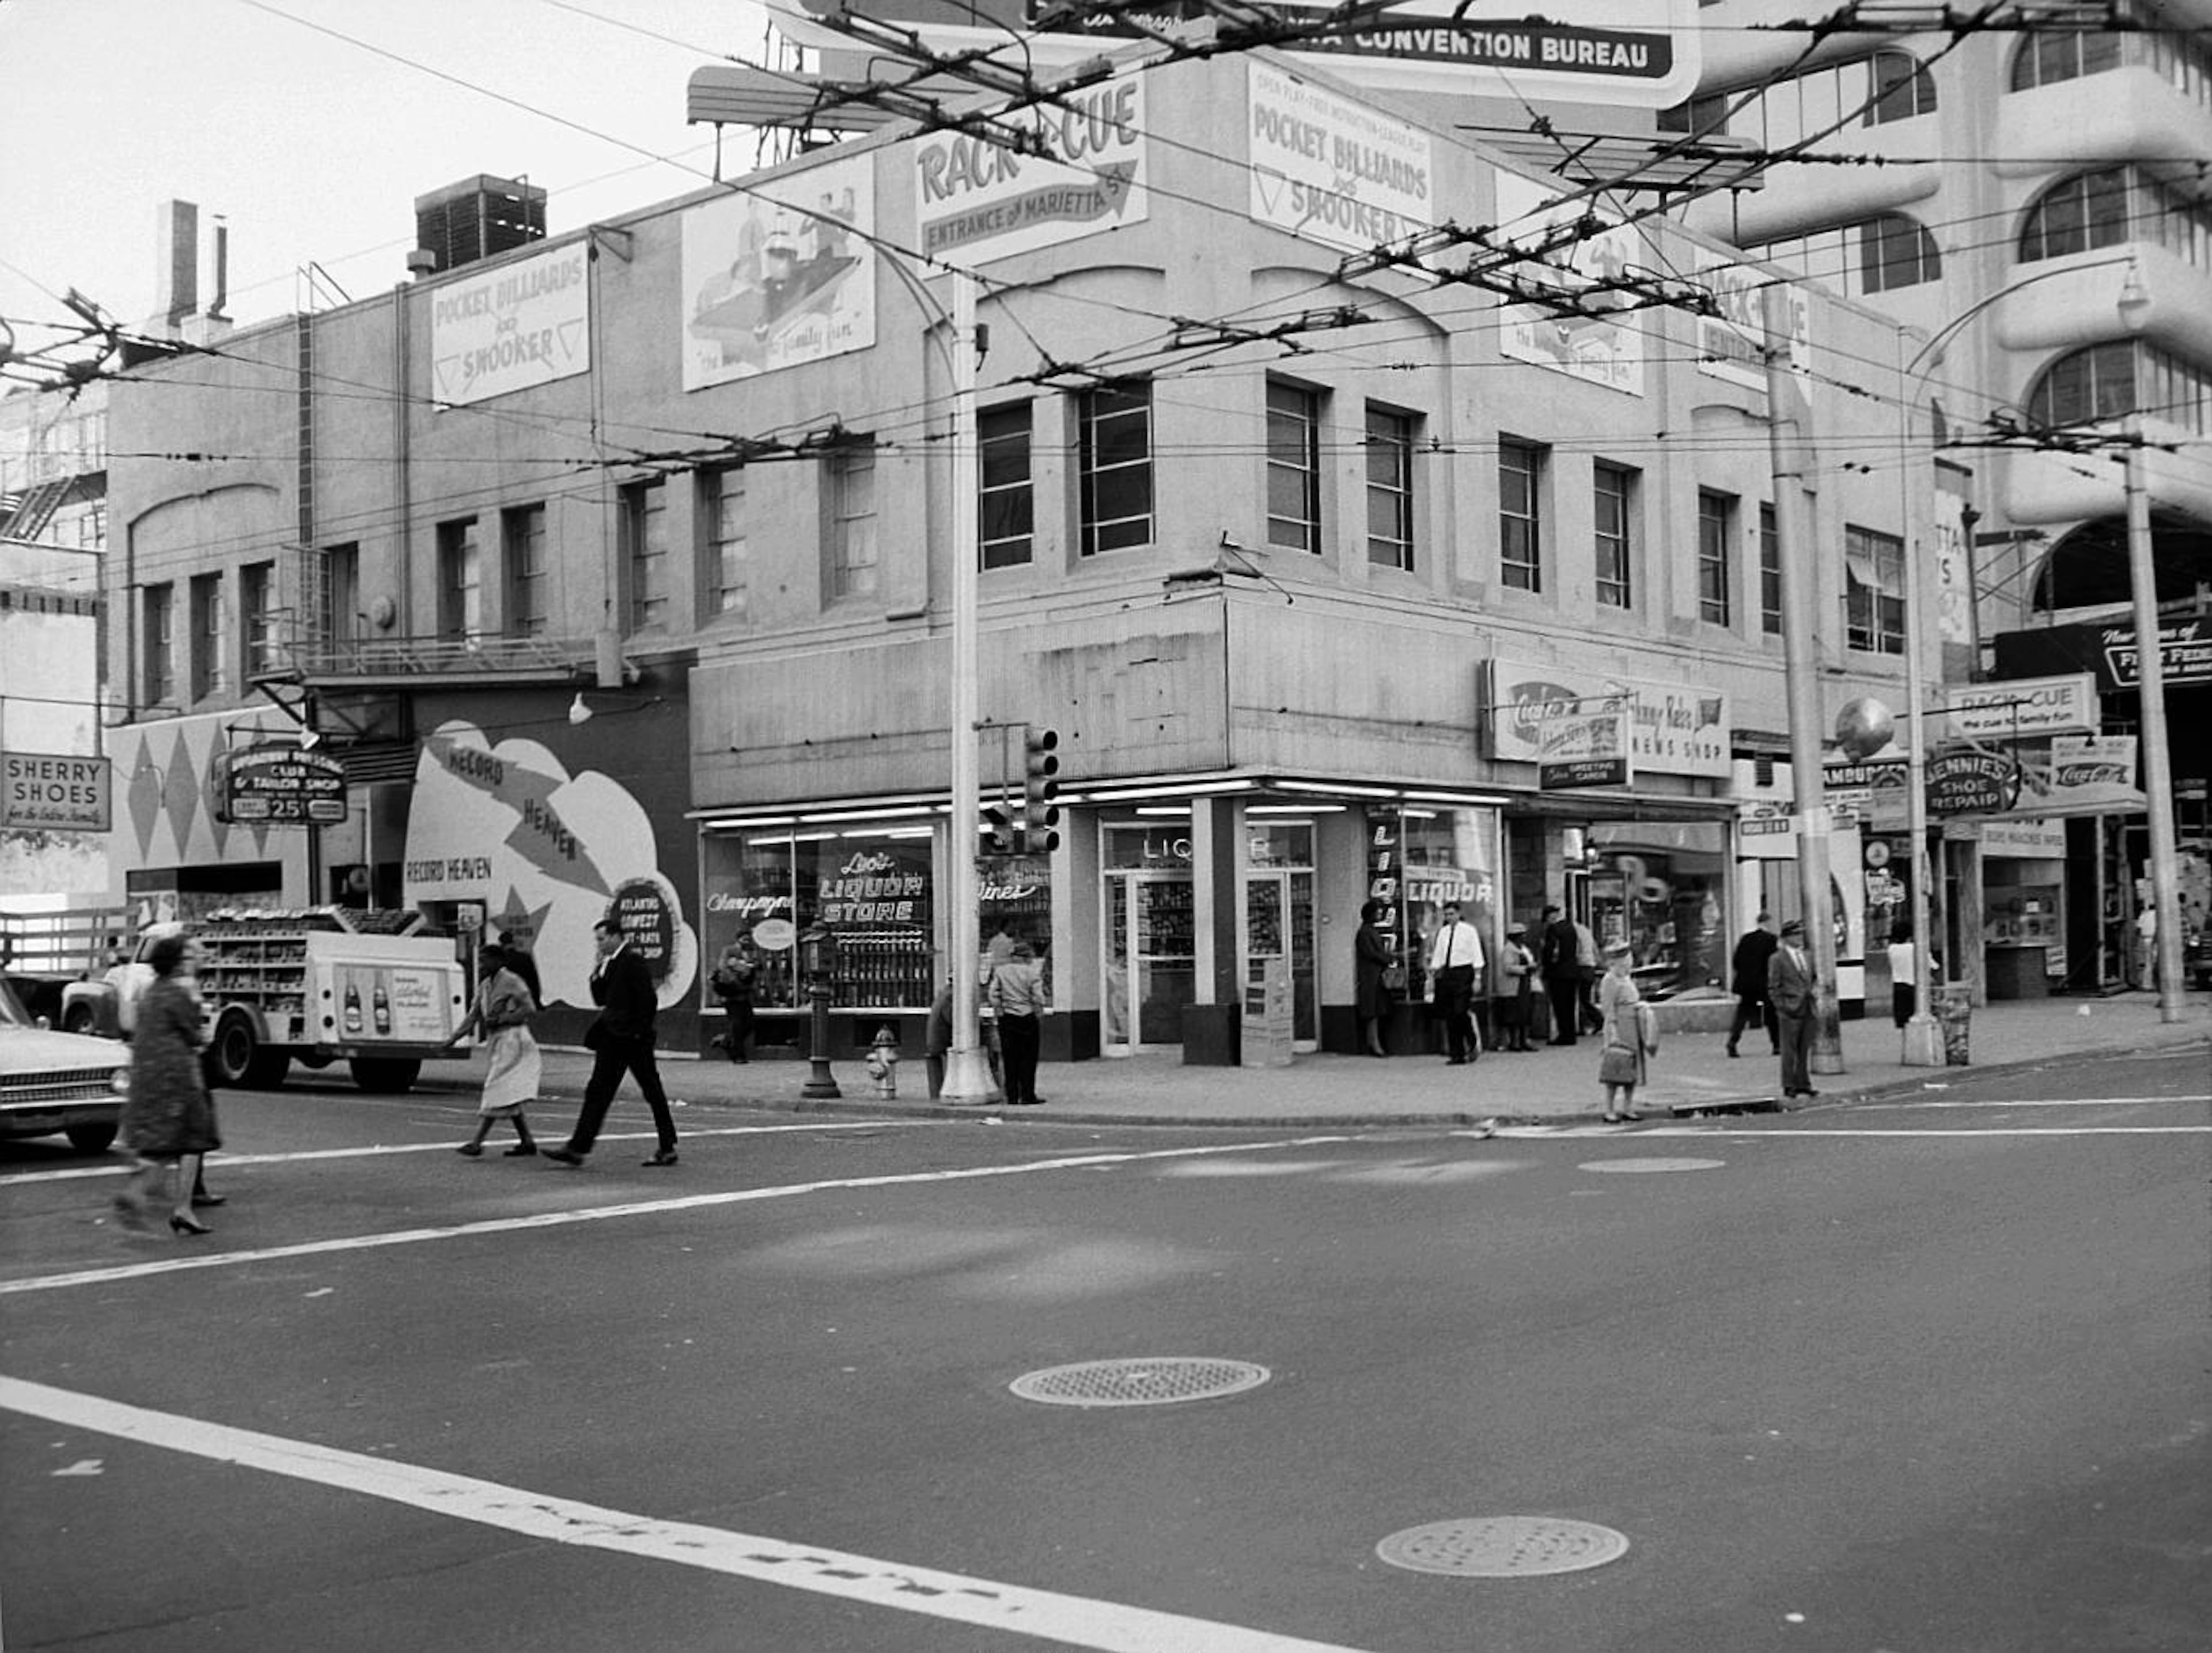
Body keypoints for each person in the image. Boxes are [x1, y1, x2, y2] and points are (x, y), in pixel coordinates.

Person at [545, 916, 679, 1168]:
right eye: (597, 940)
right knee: (597, 1091)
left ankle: (667, 1146)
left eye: (603, 938)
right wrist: (597, 973)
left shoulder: (632, 961)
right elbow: (600, 999)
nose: (600, 944)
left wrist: (639, 1032)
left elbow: (648, 1000)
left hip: (632, 1040)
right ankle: (577, 1148)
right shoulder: (609, 964)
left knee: (652, 1091)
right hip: (611, 1038)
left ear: (617, 936)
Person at [112, 932, 221, 1237]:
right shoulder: (178, 994)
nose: (193, 962)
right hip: (178, 1077)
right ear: (176, 963)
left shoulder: (152, 991)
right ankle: (177, 1207)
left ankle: (142, 1193)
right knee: (192, 1139)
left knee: (164, 1143)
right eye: (187, 957)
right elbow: (195, 1035)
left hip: (149, 1077)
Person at [446, 944, 540, 1157]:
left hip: (514, 1038)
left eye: (485, 960)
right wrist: (453, 1038)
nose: (481, 965)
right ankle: (527, 1141)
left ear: (498, 961)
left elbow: (530, 1009)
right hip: (498, 1040)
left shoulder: (512, 981)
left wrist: (503, 1018)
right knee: (509, 1092)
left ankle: (477, 1142)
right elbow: (473, 1016)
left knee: (495, 1087)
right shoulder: (485, 985)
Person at [988, 940, 1049, 1105]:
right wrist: (1038, 1010)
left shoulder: (1001, 972)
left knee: (1010, 1057)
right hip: (1027, 1017)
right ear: (1025, 957)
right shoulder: (1032, 973)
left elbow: (993, 995)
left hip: (1007, 1018)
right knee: (1028, 1058)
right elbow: (1038, 997)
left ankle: (1012, 1095)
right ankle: (1028, 1094)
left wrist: (1000, 1009)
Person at [1595, 940, 1647, 1122]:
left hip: (1633, 1026)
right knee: (1615, 1069)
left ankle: (1628, 1107)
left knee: (1631, 1070)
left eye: (1629, 958)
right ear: (1615, 962)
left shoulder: (1627, 978)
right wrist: (1612, 1033)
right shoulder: (1610, 980)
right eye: (1625, 959)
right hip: (1619, 1027)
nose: (1629, 962)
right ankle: (1609, 1109)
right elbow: (1608, 1009)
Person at [1426, 901, 1484, 1065]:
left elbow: (1476, 953)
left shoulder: (1469, 931)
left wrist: (1478, 978)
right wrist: (1433, 972)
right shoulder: (1443, 933)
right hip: (1447, 973)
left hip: (1464, 972)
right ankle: (1456, 1053)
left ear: (1458, 914)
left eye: (1452, 914)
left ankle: (1471, 1040)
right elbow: (1438, 954)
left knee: (1461, 1010)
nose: (1449, 917)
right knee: (1450, 1014)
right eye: (1446, 914)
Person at [1768, 917, 1818, 1105]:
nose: (1800, 938)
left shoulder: (1807, 956)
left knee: (1804, 1047)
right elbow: (1773, 987)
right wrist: (1782, 1006)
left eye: (1801, 934)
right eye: (1796, 935)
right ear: (1787, 937)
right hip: (1790, 1009)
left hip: (1807, 1006)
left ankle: (1803, 1083)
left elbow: (1812, 978)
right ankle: (1789, 1084)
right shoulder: (1777, 959)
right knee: (1789, 1049)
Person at [1726, 911, 1781, 1058]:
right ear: (1768, 923)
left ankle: (1733, 1041)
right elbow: (1773, 963)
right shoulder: (1771, 940)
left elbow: (1736, 961)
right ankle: (1777, 1044)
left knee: (1742, 1014)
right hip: (1763, 983)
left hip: (1746, 984)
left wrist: (1745, 974)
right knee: (1771, 1014)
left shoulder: (1746, 939)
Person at [1353, 899, 1396, 1057]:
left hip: (1373, 976)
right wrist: (1388, 958)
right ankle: (1374, 1044)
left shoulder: (1368, 931)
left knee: (1375, 1011)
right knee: (1373, 1011)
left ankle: (1375, 1043)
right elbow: (1371, 953)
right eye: (1377, 912)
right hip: (1371, 977)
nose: (1380, 915)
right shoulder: (1366, 932)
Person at [708, 933, 759, 1064]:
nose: (747, 942)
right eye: (744, 939)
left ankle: (725, 1041)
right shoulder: (730, 950)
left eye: (749, 939)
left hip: (745, 995)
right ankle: (739, 1056)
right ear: (738, 939)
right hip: (732, 996)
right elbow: (723, 967)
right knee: (737, 1026)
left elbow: (752, 971)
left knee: (749, 1025)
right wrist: (736, 981)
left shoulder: (751, 953)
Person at [1539, 904, 1583, 1047]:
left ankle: (1564, 1035)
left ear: (1549, 918)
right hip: (1572, 971)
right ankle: (1570, 1034)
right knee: (1570, 1004)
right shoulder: (1571, 928)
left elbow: (1550, 952)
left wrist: (1545, 963)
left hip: (1558, 973)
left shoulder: (1553, 929)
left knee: (1560, 1005)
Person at [1493, 920, 1537, 1051]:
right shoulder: (1509, 950)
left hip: (1524, 986)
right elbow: (1508, 967)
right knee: (1515, 1015)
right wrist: (1525, 969)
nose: (1524, 937)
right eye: (1522, 935)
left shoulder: (1523, 949)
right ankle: (1515, 1041)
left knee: (1525, 1013)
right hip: (1512, 988)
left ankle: (1524, 1040)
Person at [1885, 918, 1926, 1030]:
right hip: (1915, 987)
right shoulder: (1916, 948)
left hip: (1898, 987)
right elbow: (1933, 966)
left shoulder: (1892, 949)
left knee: (1903, 1022)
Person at [497, 929, 543, 1008]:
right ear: (513, 942)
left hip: (506, 1002)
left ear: (501, 944)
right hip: (524, 998)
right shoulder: (525, 958)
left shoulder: (500, 961)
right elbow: (534, 982)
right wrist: (536, 1001)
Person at [924, 977, 953, 1099]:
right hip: (941, 1041)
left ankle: (937, 1094)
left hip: (935, 1039)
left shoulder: (944, 992)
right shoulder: (950, 996)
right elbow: (952, 1019)